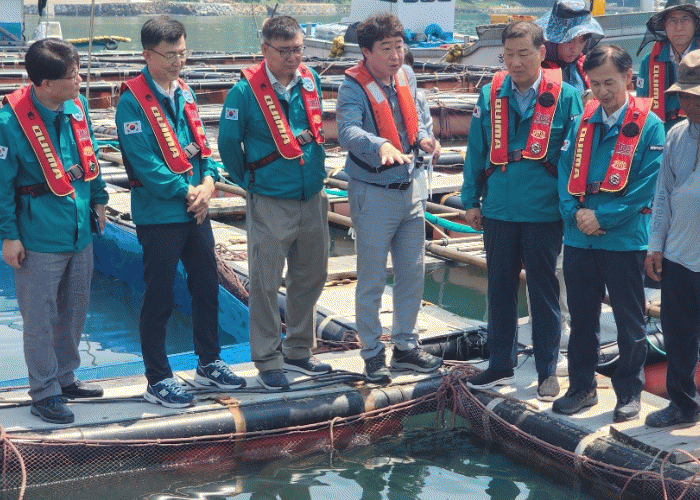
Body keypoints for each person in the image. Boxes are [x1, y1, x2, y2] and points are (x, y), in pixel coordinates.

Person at [116, 15, 245, 408]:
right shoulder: (131, 102)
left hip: (195, 211)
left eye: (183, 53)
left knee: (206, 286)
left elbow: (202, 150)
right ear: (147, 55)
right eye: (169, 55)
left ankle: (209, 361)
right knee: (159, 296)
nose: (178, 62)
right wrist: (188, 191)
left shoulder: (185, 93)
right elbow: (145, 165)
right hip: (160, 215)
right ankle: (158, 379)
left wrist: (207, 185)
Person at [461, 21, 583, 401]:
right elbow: (476, 151)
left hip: (544, 211)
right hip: (498, 208)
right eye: (508, 55)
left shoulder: (567, 96)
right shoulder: (489, 95)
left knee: (544, 291)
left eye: (523, 54)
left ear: (542, 53)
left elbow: (577, 158)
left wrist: (573, 208)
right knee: (499, 288)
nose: (515, 62)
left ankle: (547, 369)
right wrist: (470, 200)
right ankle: (500, 362)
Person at [218, 16, 331, 391]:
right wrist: (250, 182)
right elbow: (228, 146)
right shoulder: (244, 93)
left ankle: (299, 348)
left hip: (312, 196)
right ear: (265, 49)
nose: (293, 57)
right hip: (270, 199)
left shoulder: (310, 81)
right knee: (265, 283)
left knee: (311, 275)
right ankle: (268, 360)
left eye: (298, 49)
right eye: (284, 51)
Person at [553, 45, 664, 422]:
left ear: (629, 78)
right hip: (579, 238)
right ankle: (581, 387)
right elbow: (565, 173)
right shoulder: (581, 122)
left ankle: (629, 392)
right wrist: (575, 214)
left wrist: (603, 217)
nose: (602, 92)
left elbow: (646, 185)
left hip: (624, 239)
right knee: (582, 318)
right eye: (595, 84)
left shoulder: (651, 125)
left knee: (630, 320)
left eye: (610, 83)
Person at [0, 38, 108, 424]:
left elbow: (91, 155)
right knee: (40, 318)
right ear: (46, 84)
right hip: (39, 237)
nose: (80, 81)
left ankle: (66, 377)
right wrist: (9, 236)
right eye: (73, 76)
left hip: (79, 231)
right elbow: (1, 186)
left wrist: (100, 199)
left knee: (75, 310)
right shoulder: (9, 123)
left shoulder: (77, 108)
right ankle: (44, 392)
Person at [337, 13, 442, 383]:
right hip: (373, 193)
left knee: (412, 273)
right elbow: (347, 131)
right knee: (371, 279)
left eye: (400, 46)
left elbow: (420, 123)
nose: (396, 55)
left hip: (410, 190)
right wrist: (379, 144)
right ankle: (371, 353)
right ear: (366, 52)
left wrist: (426, 140)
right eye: (387, 48)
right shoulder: (352, 87)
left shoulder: (407, 76)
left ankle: (406, 347)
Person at [645, 50, 700, 428]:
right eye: (683, 94)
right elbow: (662, 195)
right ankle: (682, 404)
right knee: (679, 336)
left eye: (694, 94)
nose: (688, 101)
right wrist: (655, 245)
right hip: (679, 256)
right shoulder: (676, 135)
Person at [638, 0, 700, 131]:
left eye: (685, 19)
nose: (679, 27)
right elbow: (640, 103)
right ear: (664, 25)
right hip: (660, 132)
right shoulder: (648, 60)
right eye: (672, 20)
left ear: (696, 23)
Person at [536, 0, 604, 98]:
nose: (575, 49)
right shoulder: (536, 72)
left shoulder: (585, 65)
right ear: (553, 40)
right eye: (569, 40)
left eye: (582, 40)